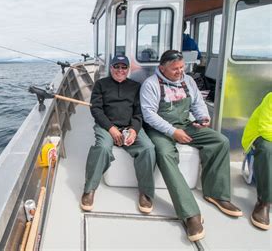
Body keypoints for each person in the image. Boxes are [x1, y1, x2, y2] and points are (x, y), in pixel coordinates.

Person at [140, 50, 242, 242]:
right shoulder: (150, 85)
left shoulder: (188, 80)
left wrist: (203, 117)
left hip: (186, 124)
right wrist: (173, 132)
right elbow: (149, 115)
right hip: (160, 129)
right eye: (175, 69)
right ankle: (190, 213)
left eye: (182, 67)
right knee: (165, 154)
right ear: (162, 68)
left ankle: (216, 193)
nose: (180, 72)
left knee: (220, 141)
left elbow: (197, 103)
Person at [81, 55, 156, 214]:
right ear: (111, 68)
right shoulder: (101, 85)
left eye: (123, 67)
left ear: (128, 69)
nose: (120, 70)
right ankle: (89, 189)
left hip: (130, 126)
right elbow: (96, 109)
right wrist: (111, 129)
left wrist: (134, 130)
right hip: (106, 126)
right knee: (102, 148)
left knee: (148, 148)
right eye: (117, 67)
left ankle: (146, 192)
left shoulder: (136, 86)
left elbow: (139, 113)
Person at [242, 92, 272, 230]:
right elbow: (265, 129)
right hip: (260, 137)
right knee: (267, 149)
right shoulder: (270, 98)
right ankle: (264, 202)